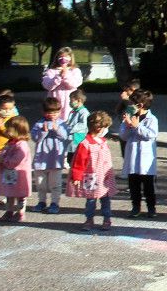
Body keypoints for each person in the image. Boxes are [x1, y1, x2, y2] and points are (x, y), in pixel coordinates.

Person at [68, 111, 117, 231]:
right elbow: (79, 162)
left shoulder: (103, 141)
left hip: (105, 177)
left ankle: (107, 219)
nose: (106, 130)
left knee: (106, 199)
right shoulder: (85, 144)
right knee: (91, 200)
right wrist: (76, 177)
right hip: (92, 176)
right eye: (105, 127)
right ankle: (89, 220)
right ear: (99, 128)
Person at [120, 90, 160, 218]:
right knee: (134, 185)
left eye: (132, 103)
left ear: (140, 105)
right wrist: (127, 125)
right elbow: (123, 136)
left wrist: (137, 127)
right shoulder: (130, 116)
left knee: (148, 186)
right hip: (132, 157)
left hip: (146, 160)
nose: (130, 105)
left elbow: (151, 135)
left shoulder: (152, 119)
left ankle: (151, 207)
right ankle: (135, 206)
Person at [30, 97, 70, 214]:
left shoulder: (62, 123)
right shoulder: (39, 124)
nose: (52, 115)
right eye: (49, 112)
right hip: (41, 160)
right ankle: (41, 202)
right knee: (40, 184)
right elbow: (35, 138)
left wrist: (57, 129)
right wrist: (43, 131)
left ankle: (54, 203)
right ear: (44, 112)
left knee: (55, 184)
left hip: (56, 160)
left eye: (56, 112)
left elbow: (65, 137)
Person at [0, 116, 32, 222]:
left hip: (18, 174)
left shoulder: (22, 145)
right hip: (10, 174)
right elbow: (4, 152)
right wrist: (1, 156)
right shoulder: (11, 142)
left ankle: (20, 213)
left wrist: (4, 160)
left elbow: (17, 160)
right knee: (9, 193)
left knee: (20, 195)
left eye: (9, 130)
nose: (6, 132)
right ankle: (9, 211)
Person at [42, 47, 83, 123]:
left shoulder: (75, 71)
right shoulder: (51, 71)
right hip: (54, 102)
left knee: (68, 121)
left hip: (69, 101)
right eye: (60, 57)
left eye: (66, 56)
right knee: (53, 121)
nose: (63, 59)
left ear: (70, 58)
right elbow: (47, 86)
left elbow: (74, 84)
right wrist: (58, 77)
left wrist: (66, 75)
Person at [65, 89, 90, 164]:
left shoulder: (84, 112)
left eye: (71, 100)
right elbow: (69, 121)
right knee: (70, 159)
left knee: (76, 159)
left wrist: (70, 128)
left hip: (78, 138)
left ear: (79, 100)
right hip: (71, 139)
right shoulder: (73, 111)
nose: (70, 102)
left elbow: (83, 124)